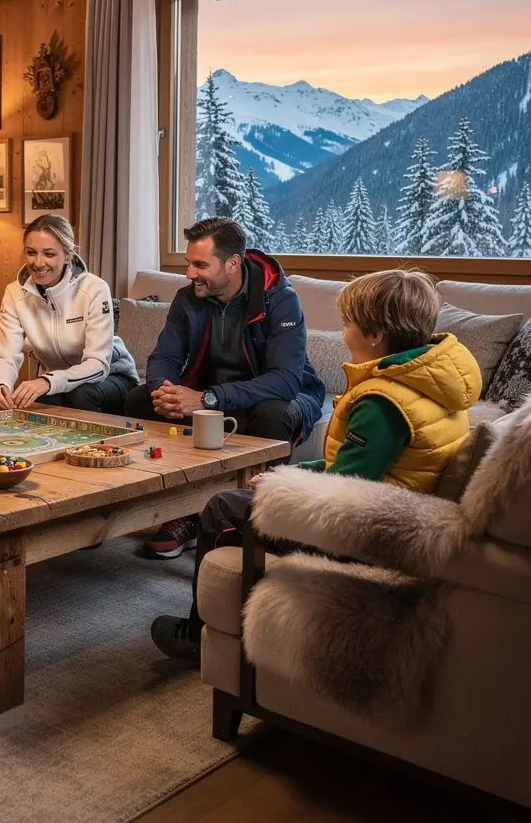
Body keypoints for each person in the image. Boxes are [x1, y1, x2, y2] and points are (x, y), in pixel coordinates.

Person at [150, 268, 481, 662]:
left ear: (375, 336)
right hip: (397, 513)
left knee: (222, 508)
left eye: (348, 324)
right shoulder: (428, 383)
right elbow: (358, 467)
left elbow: (342, 491)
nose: (343, 334)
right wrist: (288, 475)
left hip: (365, 534)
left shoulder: (383, 403)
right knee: (252, 493)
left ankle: (198, 632)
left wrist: (279, 491)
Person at [126, 217, 325, 559]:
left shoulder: (279, 300)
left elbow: (286, 380)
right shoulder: (188, 299)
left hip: (277, 395)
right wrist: (166, 391)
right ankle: (180, 513)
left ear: (233, 263)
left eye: (201, 265)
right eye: (189, 263)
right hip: (212, 393)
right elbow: (163, 357)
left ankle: (254, 521)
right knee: (139, 399)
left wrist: (208, 398)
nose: (190, 273)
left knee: (272, 415)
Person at [0, 214, 138, 414]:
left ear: (69, 254)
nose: (39, 263)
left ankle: (93, 447)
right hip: (57, 379)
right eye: (31, 253)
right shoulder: (14, 293)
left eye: (49, 254)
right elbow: (7, 354)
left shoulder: (95, 289)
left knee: (82, 394)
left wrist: (47, 381)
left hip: (113, 376)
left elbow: (98, 364)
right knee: (34, 397)